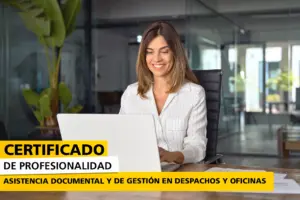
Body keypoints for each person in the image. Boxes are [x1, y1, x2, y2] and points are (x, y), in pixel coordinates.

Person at [119, 21, 207, 164]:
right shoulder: (131, 94)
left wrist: (175, 156)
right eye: (150, 52)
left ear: (175, 53)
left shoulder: (194, 94)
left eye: (164, 51)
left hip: (178, 174)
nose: (157, 59)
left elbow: (198, 146)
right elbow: (120, 138)